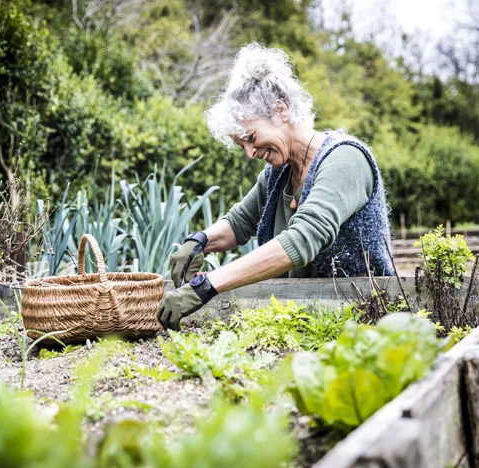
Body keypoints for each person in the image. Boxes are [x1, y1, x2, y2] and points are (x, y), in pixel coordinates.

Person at [157, 43, 394, 331]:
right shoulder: (278, 173)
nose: (249, 153)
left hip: (365, 317)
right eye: (241, 145)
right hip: (310, 316)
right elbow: (240, 222)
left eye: (251, 137)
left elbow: (302, 239)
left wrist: (207, 285)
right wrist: (199, 242)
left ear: (280, 111)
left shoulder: (345, 159)